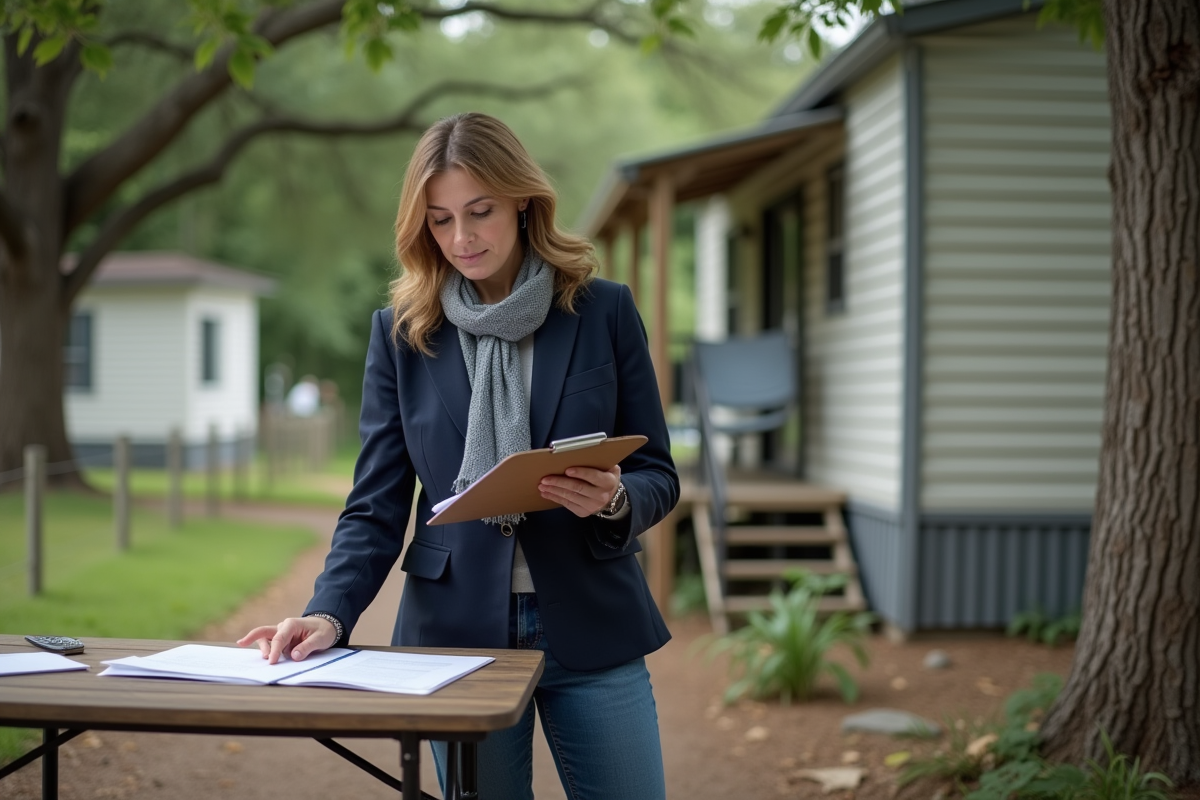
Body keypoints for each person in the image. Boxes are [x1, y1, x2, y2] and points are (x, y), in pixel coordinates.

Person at [238, 112, 678, 800]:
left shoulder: (603, 312)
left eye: (480, 212)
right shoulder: (402, 334)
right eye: (440, 220)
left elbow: (658, 472)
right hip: (455, 639)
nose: (462, 238)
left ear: (523, 202)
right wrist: (329, 613)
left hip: (594, 623)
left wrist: (618, 499)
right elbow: (376, 505)